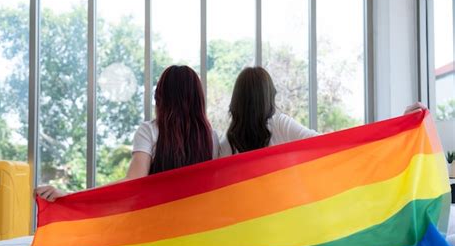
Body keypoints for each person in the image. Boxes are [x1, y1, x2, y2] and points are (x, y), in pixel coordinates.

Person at [36, 65, 219, 202]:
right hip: (198, 229)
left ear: (160, 97)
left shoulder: (150, 131)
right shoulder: (212, 137)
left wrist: (70, 196)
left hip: (156, 229)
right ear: (198, 99)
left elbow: (132, 182)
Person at [220, 66, 427, 157]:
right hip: (279, 224)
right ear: (268, 97)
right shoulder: (279, 124)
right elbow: (330, 143)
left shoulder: (225, 143)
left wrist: (399, 125)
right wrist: (398, 127)